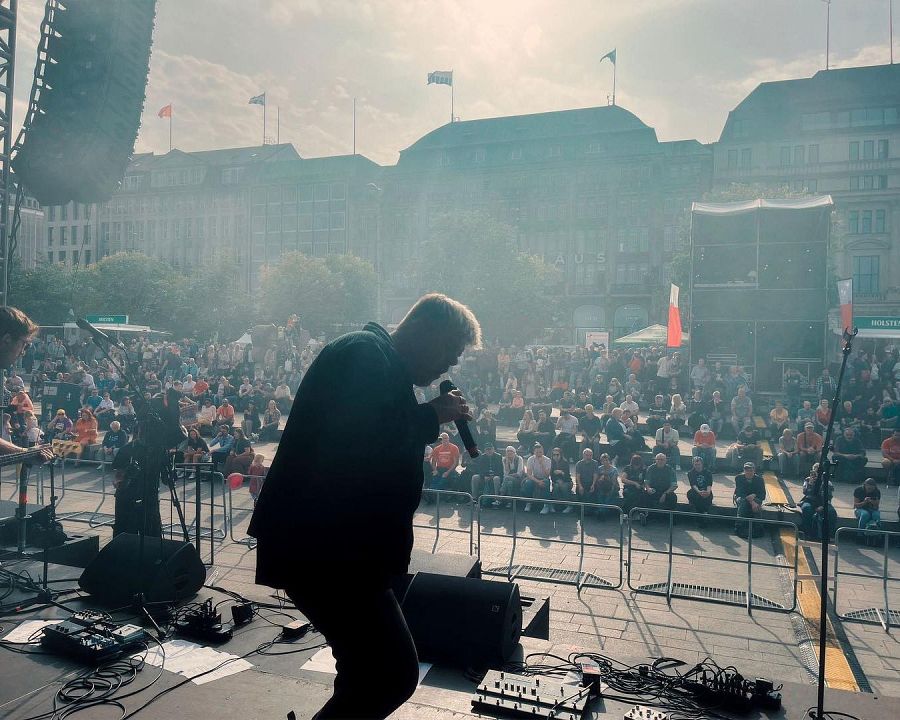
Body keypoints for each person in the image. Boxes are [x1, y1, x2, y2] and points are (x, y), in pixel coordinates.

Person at [248, 293, 479, 720]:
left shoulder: (379, 363)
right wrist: (431, 416)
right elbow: (358, 441)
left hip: (340, 549)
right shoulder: (365, 355)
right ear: (426, 332)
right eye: (451, 351)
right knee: (390, 672)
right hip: (327, 550)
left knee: (364, 671)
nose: (450, 366)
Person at [799, 463, 836, 541]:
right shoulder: (808, 480)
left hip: (823, 502)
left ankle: (830, 535)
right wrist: (810, 483)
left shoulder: (827, 482)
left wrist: (823, 506)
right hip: (810, 500)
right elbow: (805, 492)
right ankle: (807, 532)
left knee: (831, 512)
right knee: (806, 508)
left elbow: (829, 497)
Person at [734, 462, 766, 536]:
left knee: (757, 506)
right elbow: (740, 492)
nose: (749, 472)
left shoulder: (760, 480)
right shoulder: (738, 478)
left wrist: (754, 495)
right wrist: (752, 502)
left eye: (751, 470)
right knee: (743, 504)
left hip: (755, 498)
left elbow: (762, 495)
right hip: (742, 497)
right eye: (747, 470)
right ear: (744, 470)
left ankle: (758, 529)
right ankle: (739, 528)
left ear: (754, 471)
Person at [523, 443, 553, 513]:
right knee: (528, 483)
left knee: (546, 482)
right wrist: (537, 481)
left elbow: (547, 475)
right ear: (534, 452)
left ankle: (546, 505)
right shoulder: (530, 459)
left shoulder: (548, 460)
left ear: (543, 452)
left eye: (540, 452)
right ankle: (528, 503)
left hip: (544, 478)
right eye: (537, 452)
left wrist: (542, 464)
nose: (539, 454)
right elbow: (529, 474)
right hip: (535, 478)